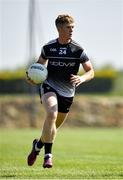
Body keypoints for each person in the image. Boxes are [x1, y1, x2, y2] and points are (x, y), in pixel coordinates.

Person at [27, 14, 94, 168]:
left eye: (73, 27)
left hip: (68, 92)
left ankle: (37, 146)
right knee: (51, 113)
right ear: (59, 29)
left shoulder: (78, 50)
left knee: (52, 128)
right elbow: (38, 67)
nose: (71, 30)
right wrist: (32, 77)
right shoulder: (48, 48)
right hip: (49, 86)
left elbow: (91, 71)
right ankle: (48, 156)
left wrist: (82, 79)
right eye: (68, 27)